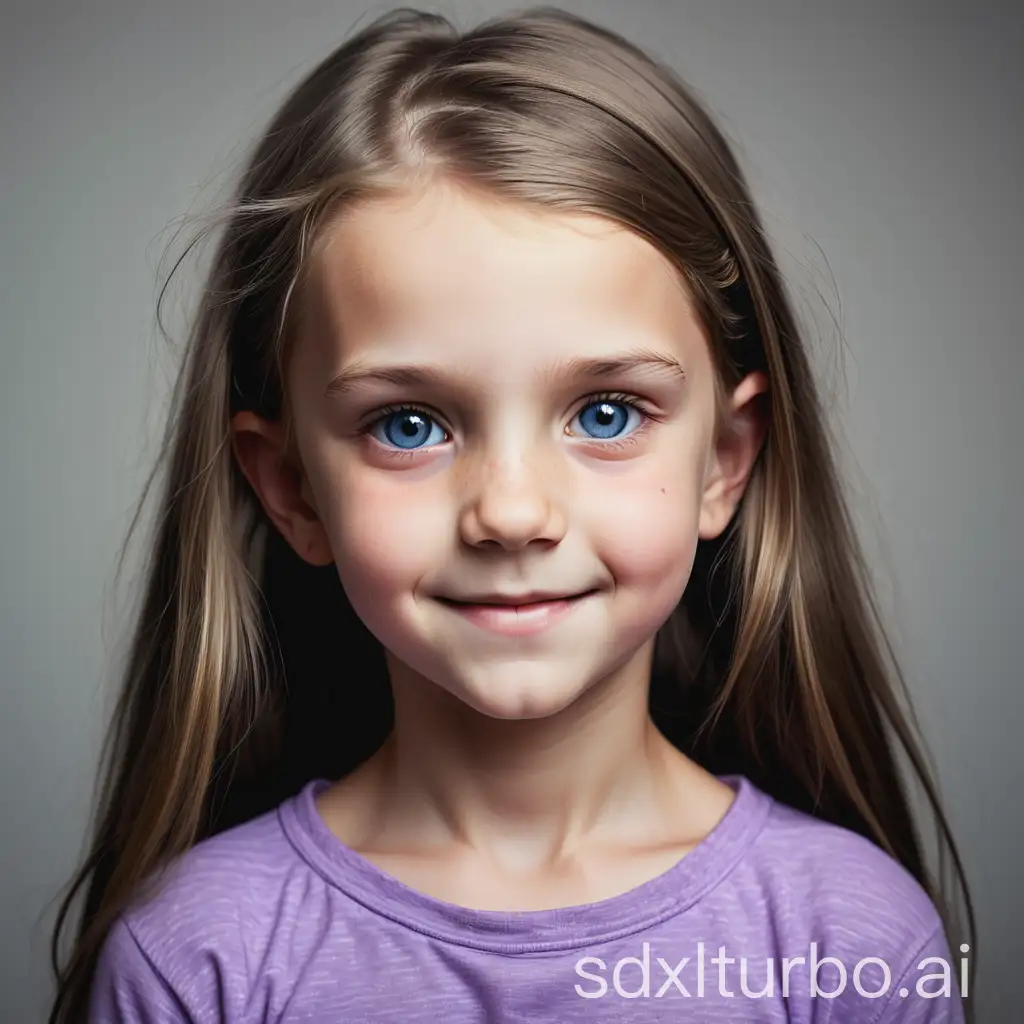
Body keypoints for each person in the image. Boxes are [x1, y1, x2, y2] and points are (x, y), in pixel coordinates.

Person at [48, 6, 975, 1022]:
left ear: (722, 460)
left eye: (606, 412)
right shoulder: (197, 958)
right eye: (408, 424)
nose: (513, 512)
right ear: (291, 488)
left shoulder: (849, 940)